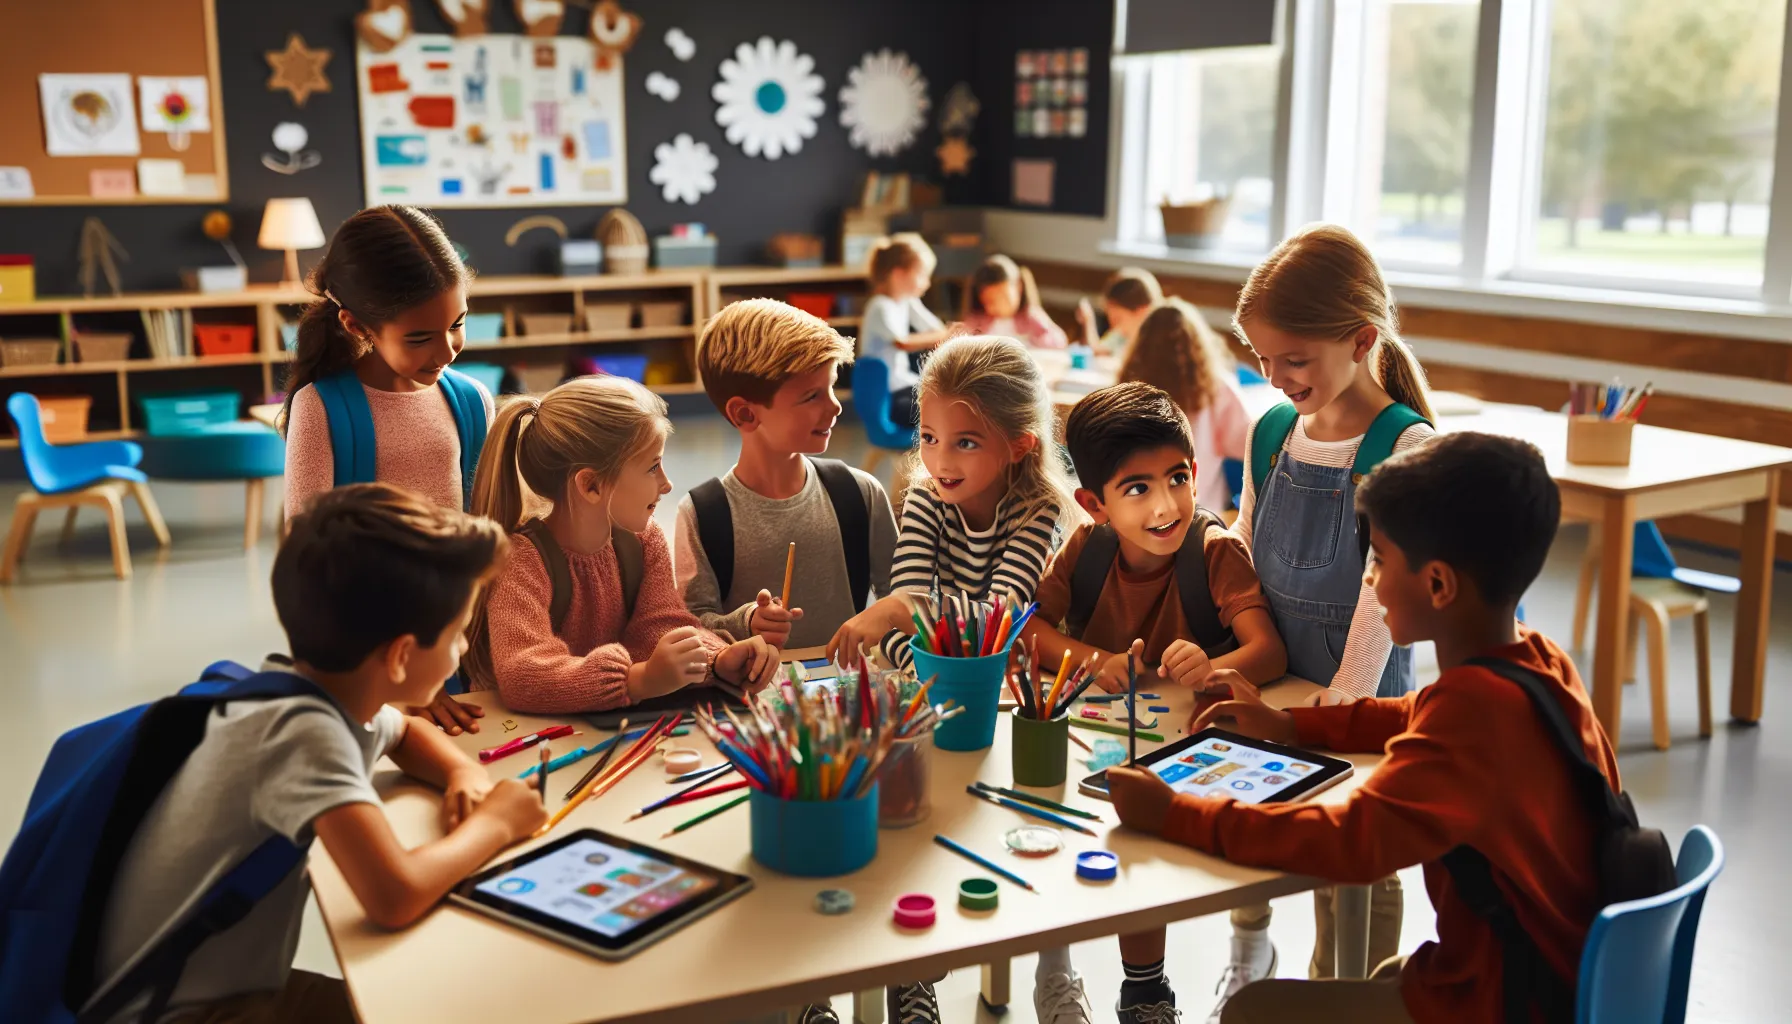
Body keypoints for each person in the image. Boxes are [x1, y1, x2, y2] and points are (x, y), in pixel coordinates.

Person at [1106, 432, 1608, 1024]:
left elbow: (1346, 841)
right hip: (1558, 973)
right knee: (1384, 977)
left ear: (1439, 585)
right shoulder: (1535, 660)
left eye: (1380, 561)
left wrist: (1172, 813)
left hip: (1505, 999)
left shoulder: (1472, 719)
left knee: (1253, 1011)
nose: (1369, 581)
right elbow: (1414, 712)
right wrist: (1288, 725)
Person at [89, 483, 545, 1022]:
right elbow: (394, 896)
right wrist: (497, 822)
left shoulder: (304, 691)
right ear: (399, 656)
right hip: (179, 1010)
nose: (463, 649)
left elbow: (401, 733)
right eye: (455, 634)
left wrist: (463, 775)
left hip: (215, 985)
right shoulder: (303, 736)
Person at [1210, 222, 1439, 1019]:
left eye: (1293, 361)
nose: (1273, 379)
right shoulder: (1273, 429)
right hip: (1272, 668)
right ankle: (1250, 946)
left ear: (1362, 340)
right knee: (1257, 808)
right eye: (1261, 359)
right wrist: (1227, 647)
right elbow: (1245, 538)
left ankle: (1347, 989)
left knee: (1355, 853)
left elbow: (1381, 600)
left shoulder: (1404, 446)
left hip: (1354, 694)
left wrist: (1330, 713)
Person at [1021, 383, 1287, 1024]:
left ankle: (1148, 989)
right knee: (1064, 838)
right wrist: (1096, 661)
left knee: (1152, 854)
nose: (1166, 504)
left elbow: (1269, 652)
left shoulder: (1213, 549)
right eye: (1137, 489)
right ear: (1094, 505)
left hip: (1194, 743)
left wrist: (1211, 666)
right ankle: (1054, 968)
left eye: (1177, 478)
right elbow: (1029, 629)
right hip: (1096, 737)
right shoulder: (1087, 550)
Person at [279, 204, 497, 738]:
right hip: (376, 673)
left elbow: (493, 532)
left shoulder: (471, 401)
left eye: (458, 325)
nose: (447, 350)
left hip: (466, 657)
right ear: (356, 324)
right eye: (420, 337)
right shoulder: (322, 408)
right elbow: (315, 572)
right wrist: (398, 691)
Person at [463, 376, 780, 712]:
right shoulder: (520, 560)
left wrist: (716, 660)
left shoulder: (644, 540)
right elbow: (523, 678)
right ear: (592, 486)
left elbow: (661, 626)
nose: (667, 484)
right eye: (653, 467)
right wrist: (637, 681)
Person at [825, 336, 1075, 671]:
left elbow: (1001, 622)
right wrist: (931, 667)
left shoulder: (1037, 510)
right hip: (963, 673)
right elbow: (896, 625)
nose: (941, 462)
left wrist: (908, 613)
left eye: (966, 442)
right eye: (929, 438)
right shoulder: (926, 499)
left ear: (1018, 446)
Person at [676, 299, 898, 651]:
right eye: (811, 396)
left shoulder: (860, 493)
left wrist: (888, 617)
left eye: (831, 386)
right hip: (752, 699)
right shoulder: (702, 513)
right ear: (745, 415)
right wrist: (745, 622)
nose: (835, 406)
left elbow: (902, 597)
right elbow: (691, 623)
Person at [1119, 299, 1251, 512]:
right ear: (1197, 345)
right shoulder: (1215, 388)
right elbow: (1247, 444)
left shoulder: (1129, 387)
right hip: (1200, 513)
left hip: (1140, 513)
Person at [859, 233, 954, 426]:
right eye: (922, 275)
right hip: (888, 398)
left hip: (906, 386)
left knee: (954, 401)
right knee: (949, 409)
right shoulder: (880, 306)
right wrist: (947, 334)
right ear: (899, 274)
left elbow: (936, 329)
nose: (927, 282)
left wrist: (950, 334)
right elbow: (902, 342)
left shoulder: (907, 302)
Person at [960, 254, 1069, 349]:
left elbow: (1059, 341)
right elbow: (961, 342)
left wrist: (1036, 340)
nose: (999, 306)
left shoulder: (1029, 316)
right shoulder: (977, 320)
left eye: (1004, 298)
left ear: (1019, 287)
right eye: (991, 301)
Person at [1077, 267, 1163, 355]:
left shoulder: (1159, 344)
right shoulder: (1121, 336)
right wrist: (1088, 321)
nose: (1114, 326)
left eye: (1118, 319)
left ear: (1142, 310)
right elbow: (1097, 351)